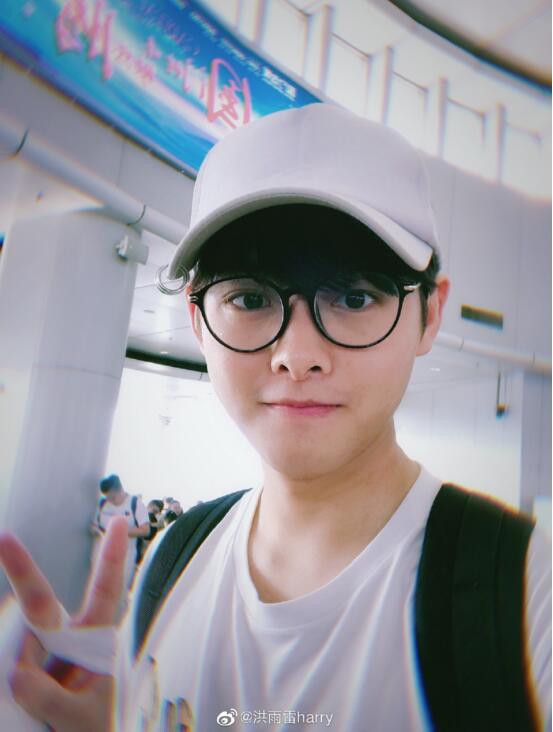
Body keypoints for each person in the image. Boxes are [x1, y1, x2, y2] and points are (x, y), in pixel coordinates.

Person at [0, 103, 549, 731]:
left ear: (430, 314)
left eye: (354, 297)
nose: (297, 355)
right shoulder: (174, 563)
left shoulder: (525, 596)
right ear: (197, 321)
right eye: (250, 298)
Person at [91, 474, 150, 594]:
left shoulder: (135, 503)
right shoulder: (103, 504)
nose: (110, 501)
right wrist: (96, 530)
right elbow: (94, 525)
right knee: (101, 589)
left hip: (125, 556)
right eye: (108, 498)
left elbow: (145, 530)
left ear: (121, 490)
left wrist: (118, 530)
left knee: (119, 592)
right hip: (103, 553)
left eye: (113, 498)